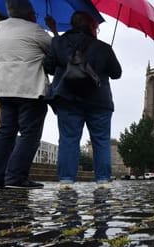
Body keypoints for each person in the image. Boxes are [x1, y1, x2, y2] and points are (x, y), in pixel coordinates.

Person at [0, 0, 58, 189]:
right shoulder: (34, 30)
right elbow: (56, 50)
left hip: (4, 88)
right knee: (29, 134)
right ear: (29, 13)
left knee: (5, 132)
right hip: (29, 89)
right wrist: (53, 30)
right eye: (33, 12)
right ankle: (15, 177)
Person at [44, 11, 122, 188]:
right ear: (92, 26)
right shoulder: (103, 47)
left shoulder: (58, 42)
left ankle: (66, 181)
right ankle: (103, 180)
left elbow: (48, 67)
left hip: (68, 97)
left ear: (72, 25)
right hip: (99, 100)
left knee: (68, 139)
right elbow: (116, 73)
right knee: (101, 141)